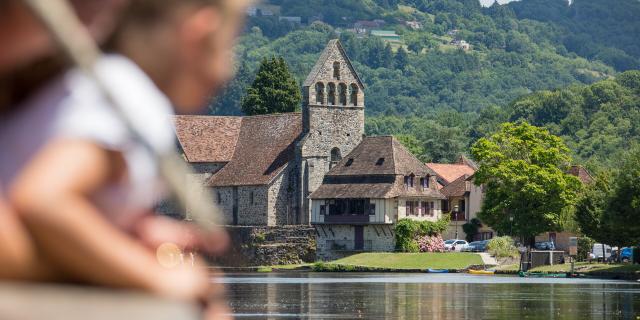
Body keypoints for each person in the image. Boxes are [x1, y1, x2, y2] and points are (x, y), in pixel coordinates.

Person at [1, 0, 250, 313]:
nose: (227, 69)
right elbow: (40, 201)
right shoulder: (133, 97)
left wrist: (127, 230)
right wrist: (157, 278)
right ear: (201, 30)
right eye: (230, 45)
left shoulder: (105, 83)